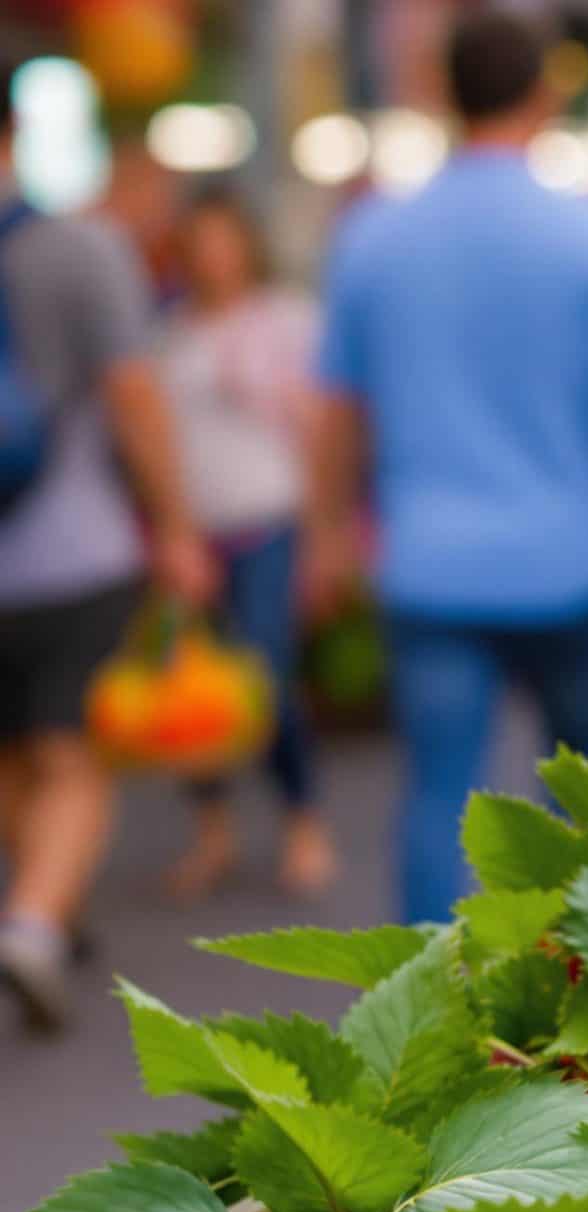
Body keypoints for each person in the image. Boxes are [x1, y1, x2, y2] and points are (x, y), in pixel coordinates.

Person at [306, 12, 588, 922]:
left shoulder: (374, 237)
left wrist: (326, 537)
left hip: (430, 565)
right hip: (583, 562)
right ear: (545, 96)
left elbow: (334, 416)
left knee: (439, 796)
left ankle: (433, 1012)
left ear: (444, 92)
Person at [0, 54, 216, 1031]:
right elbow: (133, 397)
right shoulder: (79, 250)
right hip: (70, 548)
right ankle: (37, 922)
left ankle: (43, 904)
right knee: (70, 752)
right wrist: (174, 524)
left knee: (13, 754)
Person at [159, 190, 338, 899]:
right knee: (191, 687)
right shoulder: (167, 332)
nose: (213, 258)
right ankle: (213, 830)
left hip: (269, 522)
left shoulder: (289, 320)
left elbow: (325, 425)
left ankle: (303, 820)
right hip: (193, 535)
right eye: (199, 243)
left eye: (223, 241)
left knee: (266, 674)